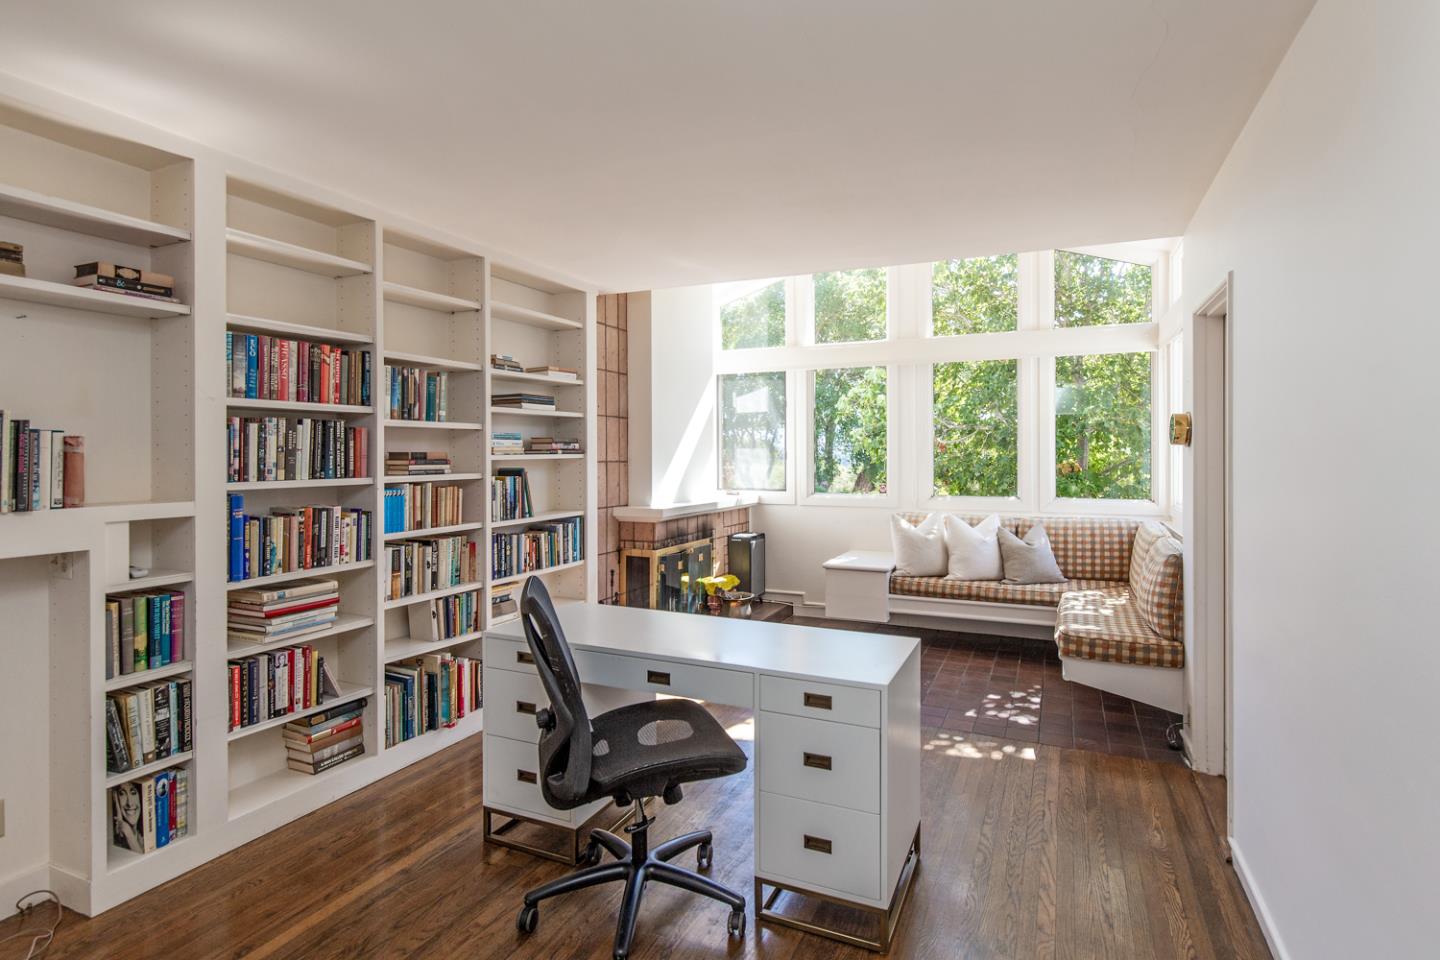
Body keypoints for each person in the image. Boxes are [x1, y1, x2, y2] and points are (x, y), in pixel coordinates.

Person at [112, 781, 143, 852]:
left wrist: (129, 834)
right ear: (115, 798)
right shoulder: (117, 845)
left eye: (133, 793)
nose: (129, 803)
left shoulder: (142, 838)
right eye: (122, 794)